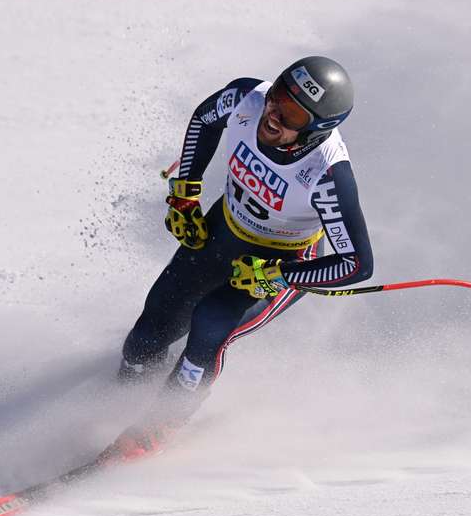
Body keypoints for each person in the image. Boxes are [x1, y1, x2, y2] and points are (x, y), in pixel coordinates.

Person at [99, 56, 374, 463]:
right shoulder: (249, 97)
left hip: (281, 262)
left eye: (293, 113)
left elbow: (355, 263)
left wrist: (278, 277)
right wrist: (185, 192)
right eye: (279, 96)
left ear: (316, 129)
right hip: (223, 232)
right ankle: (119, 399)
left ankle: (162, 421)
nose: (274, 115)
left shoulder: (327, 174)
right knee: (150, 328)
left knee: (210, 322)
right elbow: (203, 121)